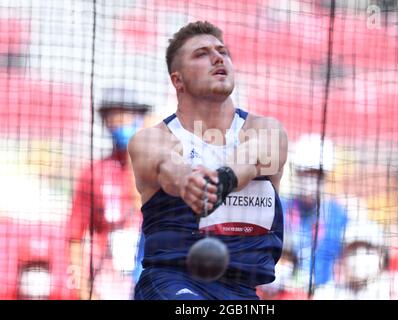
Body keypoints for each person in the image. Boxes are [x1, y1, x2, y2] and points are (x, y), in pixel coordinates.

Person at [128, 21, 288, 300]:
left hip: (243, 292)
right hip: (171, 283)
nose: (218, 58)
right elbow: (168, 166)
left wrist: (224, 179)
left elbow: (252, 157)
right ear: (177, 80)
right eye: (201, 54)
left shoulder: (265, 130)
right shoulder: (152, 139)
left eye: (223, 51)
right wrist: (186, 181)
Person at [68, 88, 154, 300]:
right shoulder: (95, 173)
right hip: (107, 281)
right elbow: (75, 235)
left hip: (149, 275)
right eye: (113, 117)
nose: (119, 122)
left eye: (126, 116)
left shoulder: (158, 172)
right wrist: (85, 288)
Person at [283, 134, 348, 292]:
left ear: (325, 178)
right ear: (296, 174)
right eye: (304, 174)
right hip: (284, 290)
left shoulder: (337, 215)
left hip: (324, 291)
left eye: (315, 175)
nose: (309, 182)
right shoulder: (281, 208)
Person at [313, 219, 398, 300]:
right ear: (343, 256)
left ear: (382, 255)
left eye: (367, 249)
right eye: (352, 249)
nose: (359, 256)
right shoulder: (328, 293)